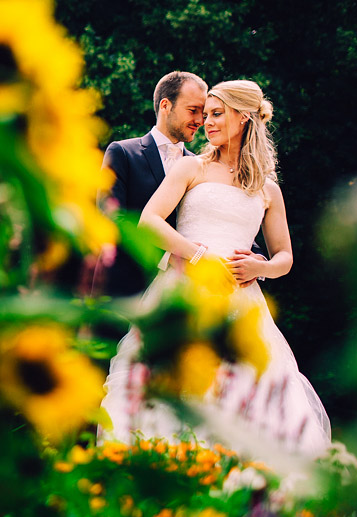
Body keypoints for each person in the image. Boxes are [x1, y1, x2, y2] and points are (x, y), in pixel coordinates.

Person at [100, 80, 331, 457]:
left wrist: (262, 267)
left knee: (244, 403)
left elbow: (285, 256)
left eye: (216, 114)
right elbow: (150, 221)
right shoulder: (192, 167)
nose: (206, 122)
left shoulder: (268, 189)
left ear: (243, 118)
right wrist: (196, 255)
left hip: (242, 304)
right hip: (183, 290)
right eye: (204, 114)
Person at [101, 71, 208, 297]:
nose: (200, 121)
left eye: (203, 113)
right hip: (127, 288)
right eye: (193, 110)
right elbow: (111, 218)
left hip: (185, 296)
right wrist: (169, 256)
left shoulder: (200, 166)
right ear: (166, 105)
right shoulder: (122, 152)